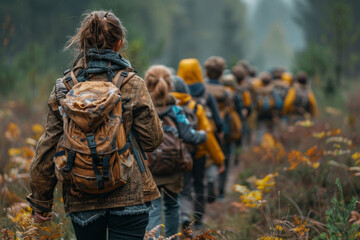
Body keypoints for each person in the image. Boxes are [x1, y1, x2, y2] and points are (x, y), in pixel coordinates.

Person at [26, 10, 164, 240]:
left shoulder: (65, 87)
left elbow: (48, 145)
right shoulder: (132, 84)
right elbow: (152, 140)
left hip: (82, 197)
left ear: (81, 43)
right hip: (129, 194)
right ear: (119, 43)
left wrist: (41, 200)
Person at [144, 65, 207, 238]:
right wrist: (203, 135)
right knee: (172, 205)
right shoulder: (176, 110)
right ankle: (172, 237)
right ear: (169, 84)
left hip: (149, 167)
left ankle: (154, 238)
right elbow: (188, 135)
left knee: (154, 207)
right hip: (173, 166)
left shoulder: (143, 109)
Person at [171, 76, 225, 231]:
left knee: (183, 187)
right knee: (199, 185)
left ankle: (184, 216)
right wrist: (219, 159)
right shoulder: (196, 107)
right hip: (198, 153)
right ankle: (199, 219)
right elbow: (208, 137)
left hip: (177, 153)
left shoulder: (166, 106)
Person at [203, 56, 242, 200]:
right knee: (224, 158)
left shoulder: (202, 90)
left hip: (205, 128)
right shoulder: (227, 93)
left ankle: (206, 184)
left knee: (205, 157)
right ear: (221, 74)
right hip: (223, 131)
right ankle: (220, 191)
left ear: (206, 72)